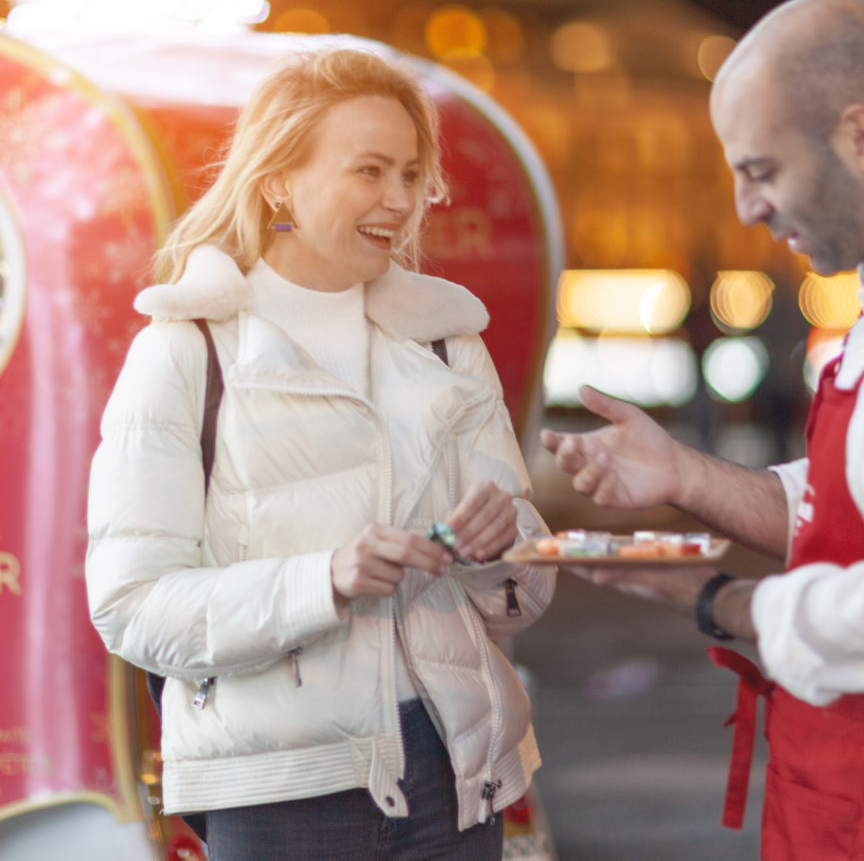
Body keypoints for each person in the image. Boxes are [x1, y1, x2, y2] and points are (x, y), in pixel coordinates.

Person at [540, 0, 864, 860]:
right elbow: (852, 506)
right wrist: (683, 477)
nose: (745, 207)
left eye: (762, 170)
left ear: (861, 138)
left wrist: (723, 604)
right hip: (863, 795)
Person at [86, 47, 556, 861]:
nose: (400, 201)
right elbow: (131, 606)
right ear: (277, 181)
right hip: (280, 794)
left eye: (413, 175)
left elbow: (524, 592)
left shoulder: (447, 340)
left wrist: (498, 549)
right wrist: (323, 581)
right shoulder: (186, 350)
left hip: (457, 771)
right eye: (369, 172)